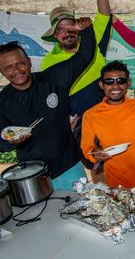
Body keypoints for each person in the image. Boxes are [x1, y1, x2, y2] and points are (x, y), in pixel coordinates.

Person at [0, 20, 95, 190]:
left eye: (20, 63)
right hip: (31, 177)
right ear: (2, 71)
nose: (17, 71)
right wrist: (12, 142)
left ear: (29, 61)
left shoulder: (53, 79)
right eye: (8, 67)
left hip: (69, 169)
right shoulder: (3, 101)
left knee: (77, 215)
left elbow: (84, 57)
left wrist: (86, 30)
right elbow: (1, 144)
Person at [40, 0, 113, 124]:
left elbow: (104, 16)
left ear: (78, 27)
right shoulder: (48, 62)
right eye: (60, 29)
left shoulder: (93, 43)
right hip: (71, 124)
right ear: (55, 35)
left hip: (103, 119)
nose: (67, 32)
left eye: (70, 26)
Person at [81, 61, 135, 190]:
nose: (115, 86)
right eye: (109, 81)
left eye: (121, 81)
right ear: (101, 85)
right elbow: (87, 149)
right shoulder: (91, 115)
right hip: (116, 185)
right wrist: (95, 153)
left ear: (128, 83)